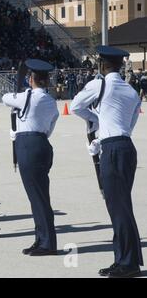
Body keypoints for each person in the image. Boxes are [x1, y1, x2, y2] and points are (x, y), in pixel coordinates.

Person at [71, 46, 143, 278]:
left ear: (102, 65)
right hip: (126, 147)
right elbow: (128, 125)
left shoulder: (98, 84)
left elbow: (76, 106)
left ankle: (128, 262)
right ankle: (122, 257)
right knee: (120, 205)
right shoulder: (131, 91)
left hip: (112, 150)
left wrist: (95, 122)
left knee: (118, 207)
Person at [2, 59, 59, 256]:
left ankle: (47, 243)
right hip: (42, 143)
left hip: (28, 145)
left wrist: (20, 91)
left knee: (38, 197)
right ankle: (41, 238)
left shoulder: (26, 96)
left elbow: (5, 98)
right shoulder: (51, 101)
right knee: (38, 196)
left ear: (31, 79)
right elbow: (50, 127)